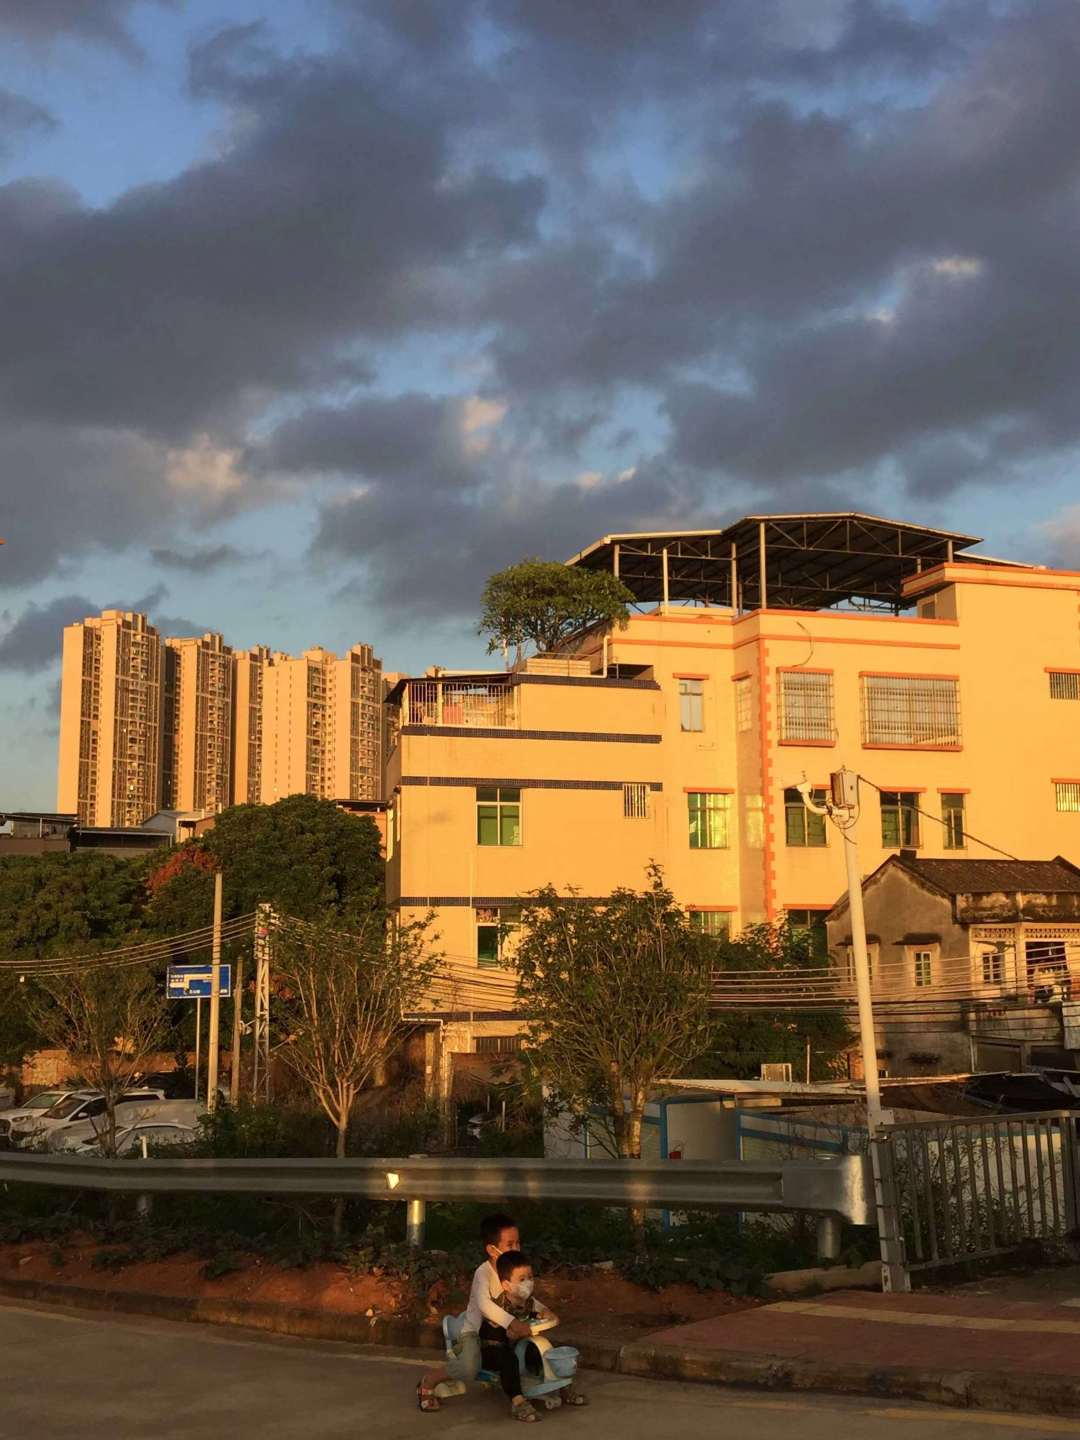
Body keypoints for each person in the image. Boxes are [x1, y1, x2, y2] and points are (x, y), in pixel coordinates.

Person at [417, 1211, 530, 1413]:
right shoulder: (483, 1273)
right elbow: (485, 1305)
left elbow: (524, 1295)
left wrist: (543, 1310)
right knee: (469, 1367)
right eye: (510, 1245)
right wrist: (512, 1322)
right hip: (474, 1332)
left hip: (498, 1331)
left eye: (518, 1243)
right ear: (492, 1249)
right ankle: (430, 1380)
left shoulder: (513, 1271)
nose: (516, 1249)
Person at [482, 1249, 587, 1421]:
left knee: (543, 1350)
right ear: (506, 1285)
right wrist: (510, 1334)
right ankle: (518, 1402)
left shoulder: (528, 1302)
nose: (528, 1283)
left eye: (530, 1278)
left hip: (518, 1344)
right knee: (508, 1360)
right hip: (493, 1347)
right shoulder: (497, 1307)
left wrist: (546, 1314)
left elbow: (544, 1311)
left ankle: (562, 1388)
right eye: (522, 1279)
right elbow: (496, 1333)